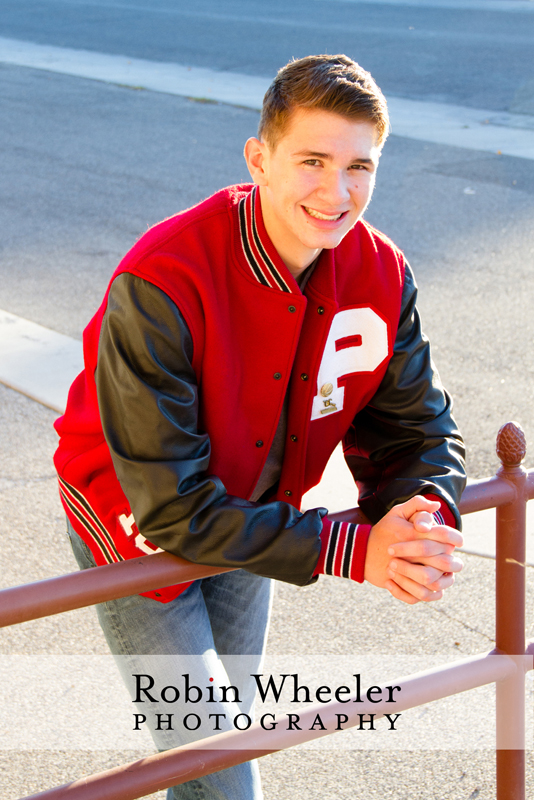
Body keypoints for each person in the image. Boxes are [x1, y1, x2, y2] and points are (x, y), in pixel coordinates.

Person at [54, 54, 466, 799]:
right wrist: (355, 549)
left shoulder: (381, 271)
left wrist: (420, 519)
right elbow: (173, 506)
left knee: (226, 732)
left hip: (258, 509)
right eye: (312, 160)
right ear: (260, 159)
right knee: (216, 761)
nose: (336, 191)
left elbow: (419, 431)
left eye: (359, 166)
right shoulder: (164, 279)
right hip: (137, 517)